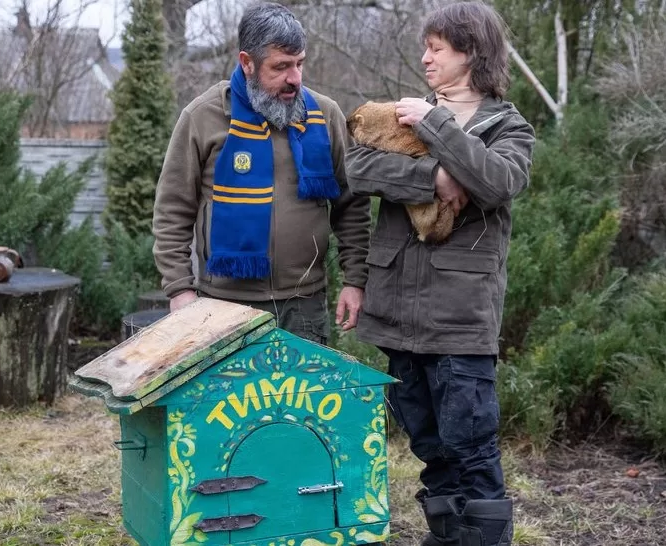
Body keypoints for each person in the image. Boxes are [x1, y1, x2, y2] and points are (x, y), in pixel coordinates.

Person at [344, 2, 535, 546]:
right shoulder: (401, 112)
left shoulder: (509, 127)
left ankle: (485, 539)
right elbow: (357, 167)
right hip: (398, 309)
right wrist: (433, 177)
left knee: (469, 440)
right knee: (427, 440)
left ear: (471, 52)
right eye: (426, 46)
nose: (425, 57)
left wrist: (435, 127)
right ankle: (448, 535)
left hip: (460, 314)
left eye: (437, 48)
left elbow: (496, 182)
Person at [151, 2, 371, 344]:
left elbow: (351, 206)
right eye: (281, 67)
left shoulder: (325, 116)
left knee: (304, 399)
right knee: (232, 399)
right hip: (222, 304)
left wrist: (355, 280)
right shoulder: (203, 117)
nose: (295, 79)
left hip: (305, 305)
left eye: (299, 64)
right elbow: (172, 210)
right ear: (247, 63)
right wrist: (179, 290)